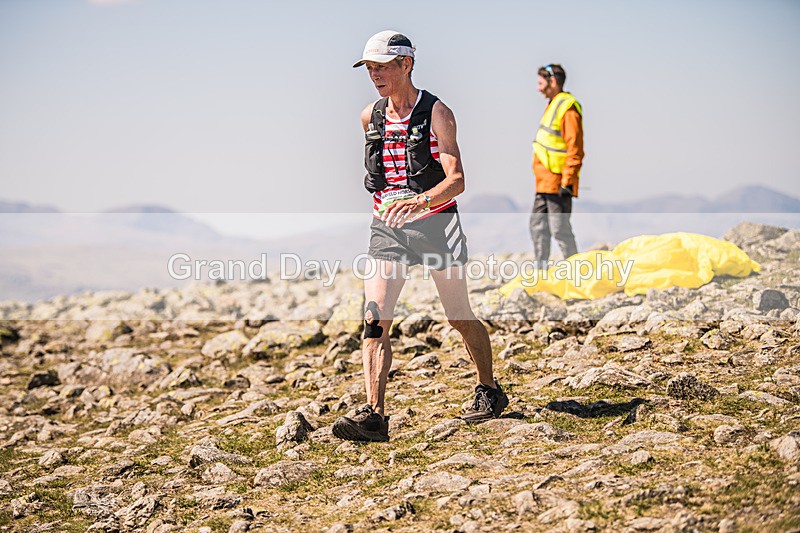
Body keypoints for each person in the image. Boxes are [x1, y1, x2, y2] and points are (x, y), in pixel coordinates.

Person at [332, 30, 508, 442]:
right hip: (388, 229)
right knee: (374, 319)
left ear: (406, 64)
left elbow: (457, 180)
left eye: (381, 66)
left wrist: (420, 202)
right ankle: (374, 416)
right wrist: (396, 206)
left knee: (458, 316)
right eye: (369, 68)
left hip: (436, 224)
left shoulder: (437, 113)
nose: (374, 75)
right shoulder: (370, 116)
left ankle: (489, 389)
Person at [529, 64, 585, 269]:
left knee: (560, 230)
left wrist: (568, 182)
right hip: (544, 182)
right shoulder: (553, 105)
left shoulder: (567, 107)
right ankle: (541, 273)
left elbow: (575, 148)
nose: (538, 88)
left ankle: (577, 272)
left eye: (540, 83)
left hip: (558, 183)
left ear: (552, 81)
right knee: (537, 227)